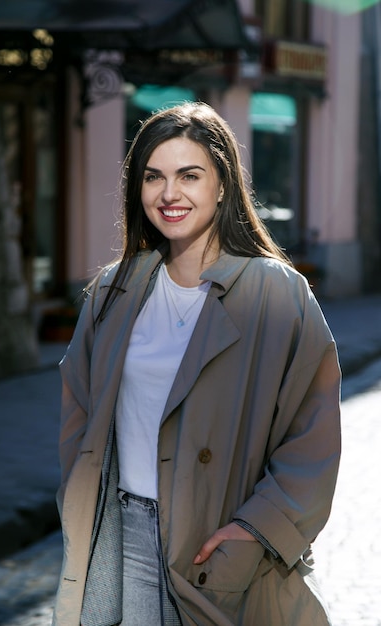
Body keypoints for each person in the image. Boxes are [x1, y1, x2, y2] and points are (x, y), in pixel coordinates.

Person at [53, 102, 341, 626]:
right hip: (126, 534)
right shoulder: (114, 290)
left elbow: (312, 433)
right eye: (153, 177)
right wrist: (81, 492)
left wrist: (256, 531)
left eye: (190, 175)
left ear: (224, 184)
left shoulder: (276, 293)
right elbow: (80, 401)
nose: (169, 194)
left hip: (222, 545)